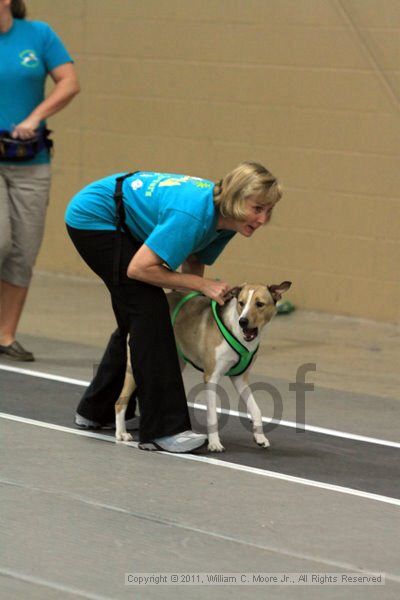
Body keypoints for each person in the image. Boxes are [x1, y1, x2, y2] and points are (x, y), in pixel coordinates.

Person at [65, 162, 282, 453]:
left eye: (269, 211)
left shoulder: (228, 220)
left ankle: (97, 411)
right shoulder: (192, 215)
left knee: (141, 317)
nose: (263, 219)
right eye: (258, 209)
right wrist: (203, 287)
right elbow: (139, 269)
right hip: (95, 218)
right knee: (151, 312)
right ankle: (163, 430)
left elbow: (193, 259)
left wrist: (193, 296)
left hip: (121, 217)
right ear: (235, 199)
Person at [0, 0, 80, 361]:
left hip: (30, 159)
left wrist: (35, 117)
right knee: (0, 240)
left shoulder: (38, 34)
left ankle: (5, 335)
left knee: (23, 250)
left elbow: (69, 82)